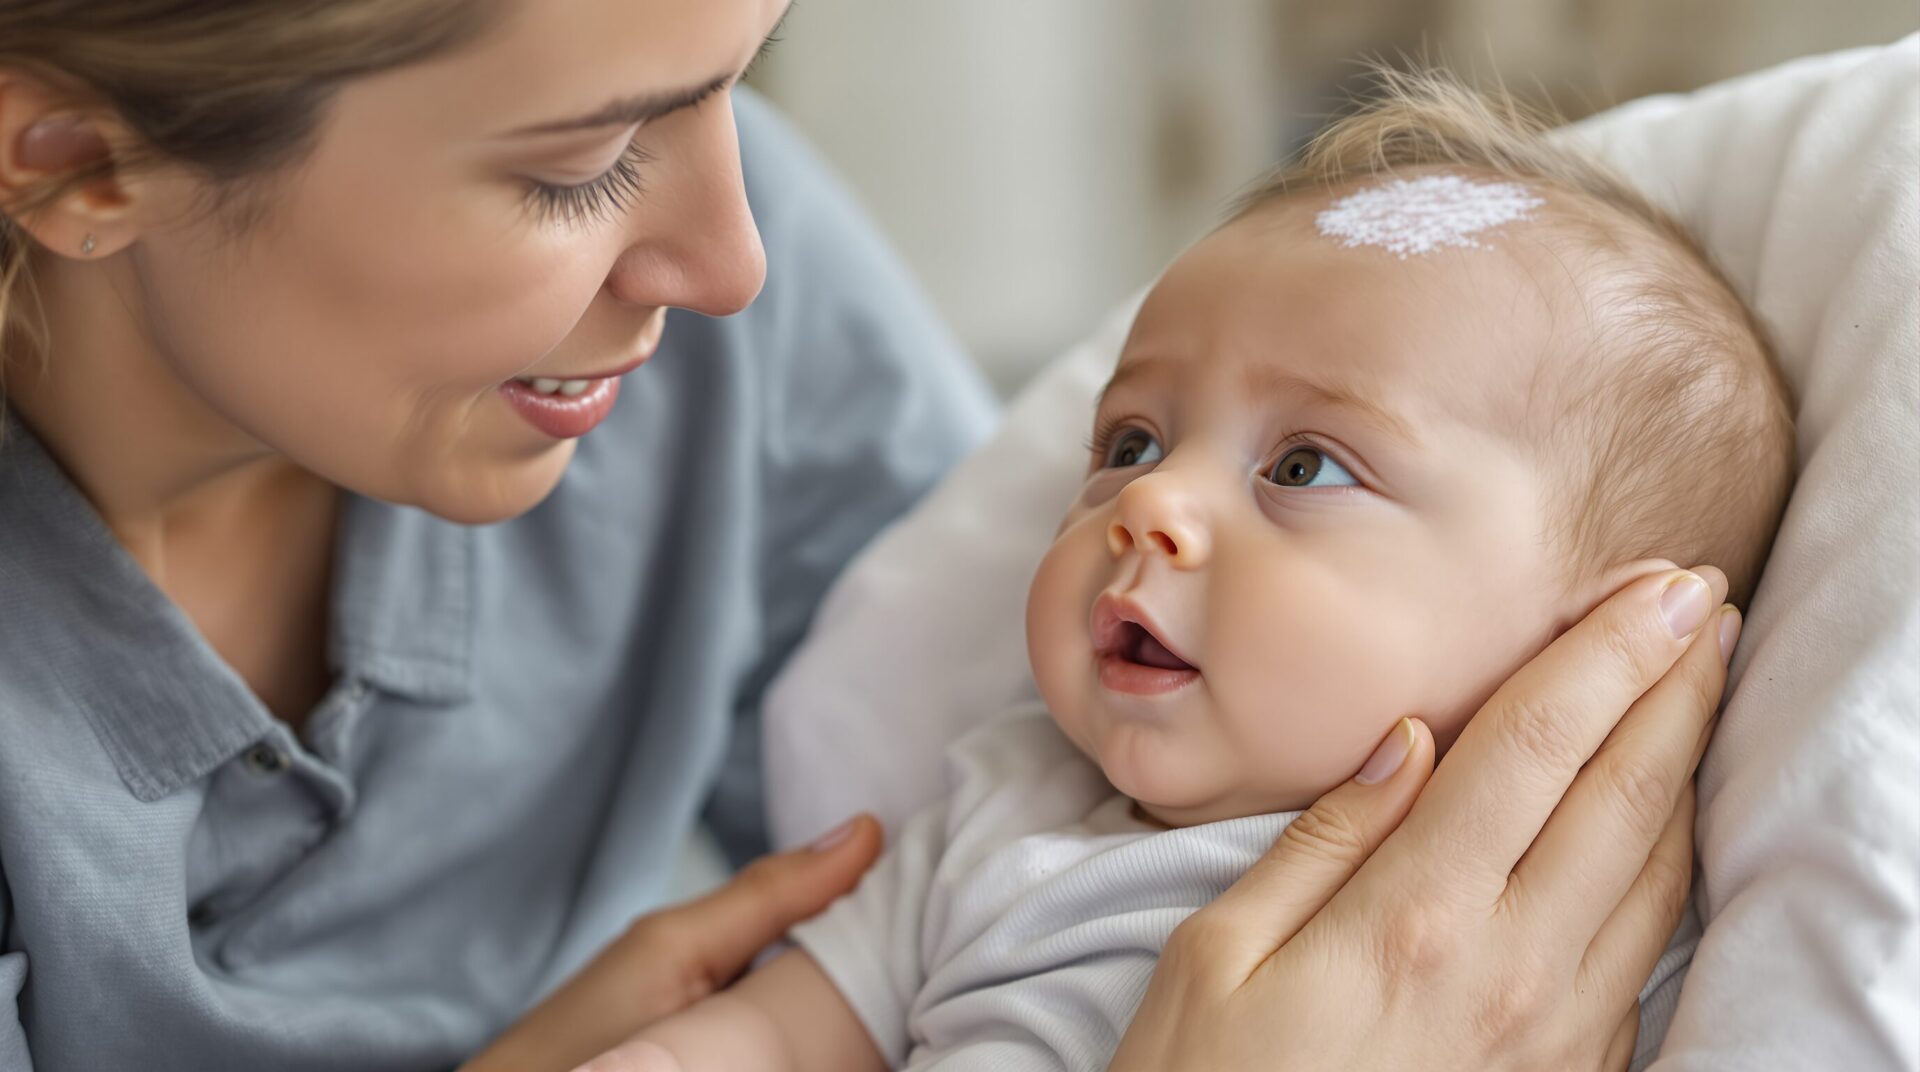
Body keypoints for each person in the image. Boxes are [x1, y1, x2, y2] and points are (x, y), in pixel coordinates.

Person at [0, 4, 1728, 1070]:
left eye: (733, 87)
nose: (738, 262)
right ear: (75, 160)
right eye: (584, 161)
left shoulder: (727, 330)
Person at [572, 71, 1788, 1072]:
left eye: (1307, 467)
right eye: (1131, 442)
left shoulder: (1544, 937)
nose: (1148, 501)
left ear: (1587, 651)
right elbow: (783, 1033)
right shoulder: (1007, 803)